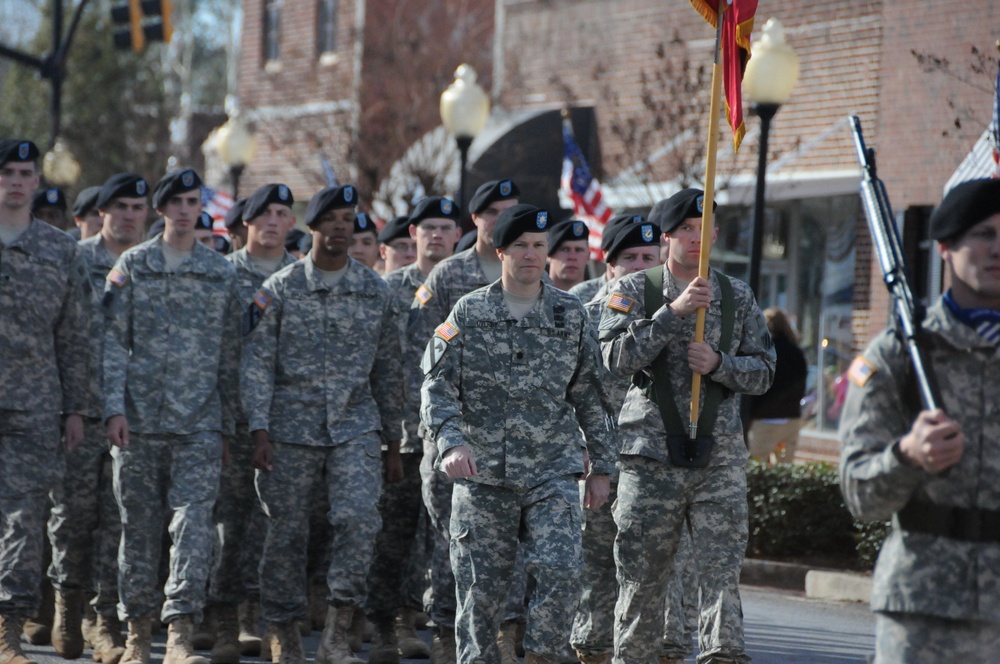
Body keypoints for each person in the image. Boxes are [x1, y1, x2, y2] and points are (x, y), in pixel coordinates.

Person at [421, 203, 614, 664]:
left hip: (553, 471)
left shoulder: (571, 314)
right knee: (481, 592)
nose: (532, 254)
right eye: (522, 246)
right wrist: (451, 442)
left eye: (539, 246)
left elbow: (591, 394)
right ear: (501, 250)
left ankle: (543, 656)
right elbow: (436, 383)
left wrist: (603, 468)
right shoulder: (469, 311)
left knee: (562, 570)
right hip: (484, 474)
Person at [599, 188, 775, 664]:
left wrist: (720, 363)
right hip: (650, 457)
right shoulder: (634, 290)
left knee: (720, 574)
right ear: (666, 236)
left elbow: (763, 372)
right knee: (642, 575)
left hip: (718, 457)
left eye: (705, 229)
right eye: (686, 230)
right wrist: (671, 315)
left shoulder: (737, 295)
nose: (698, 239)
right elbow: (613, 358)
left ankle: (722, 656)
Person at [839, 178, 1000, 663]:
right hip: (922, 608)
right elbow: (859, 493)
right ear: (946, 247)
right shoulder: (897, 355)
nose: (999, 248)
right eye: (985, 234)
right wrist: (907, 456)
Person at [241, 184, 403, 664]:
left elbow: (389, 371)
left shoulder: (374, 290)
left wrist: (393, 444)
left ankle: (336, 632)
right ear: (312, 227)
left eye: (348, 220)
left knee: (358, 520)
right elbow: (256, 365)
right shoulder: (279, 290)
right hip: (289, 431)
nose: (340, 227)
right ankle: (285, 633)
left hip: (355, 428)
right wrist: (259, 430)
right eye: (331, 219)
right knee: (285, 532)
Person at [102, 168, 241, 664]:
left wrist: (225, 428)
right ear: (160, 210)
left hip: (199, 423)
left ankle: (180, 632)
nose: (185, 210)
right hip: (139, 423)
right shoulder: (132, 266)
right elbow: (114, 344)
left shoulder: (221, 272)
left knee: (193, 524)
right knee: (138, 528)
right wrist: (113, 410)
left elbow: (229, 356)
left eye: (192, 201)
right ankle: (138, 634)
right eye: (176, 202)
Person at [407, 179, 520, 664]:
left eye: (510, 211)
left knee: (506, 540)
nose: (501, 219)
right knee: (449, 538)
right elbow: (422, 353)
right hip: (453, 432)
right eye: (492, 211)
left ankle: (501, 632)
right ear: (474, 220)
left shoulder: (525, 276)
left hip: (511, 435)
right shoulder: (448, 277)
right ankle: (444, 631)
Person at [47, 173, 150, 663]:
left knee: (119, 521)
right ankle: (66, 605)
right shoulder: (74, 260)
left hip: (132, 414)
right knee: (72, 516)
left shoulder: (148, 267)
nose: (130, 215)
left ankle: (102, 619)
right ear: (101, 212)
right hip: (77, 410)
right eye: (121, 207)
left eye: (138, 207)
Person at [201, 183, 299, 664]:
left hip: (287, 421)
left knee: (272, 524)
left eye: (283, 213)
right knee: (228, 521)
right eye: (265, 214)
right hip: (231, 417)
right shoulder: (223, 274)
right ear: (245, 223)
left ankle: (257, 618)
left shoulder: (299, 276)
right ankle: (222, 619)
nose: (274, 222)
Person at [0, 138, 89, 664]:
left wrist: (76, 407)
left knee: (21, 520)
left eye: (24, 173)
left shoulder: (61, 251)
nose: (15, 180)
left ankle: (7, 629)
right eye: (7, 171)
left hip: (34, 405)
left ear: (37, 182)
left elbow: (76, 336)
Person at [366, 197, 462, 664]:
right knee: (394, 536)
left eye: (447, 227)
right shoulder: (390, 289)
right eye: (429, 228)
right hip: (403, 433)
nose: (438, 236)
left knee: (441, 536)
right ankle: (389, 623)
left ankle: (432, 618)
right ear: (413, 235)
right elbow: (386, 364)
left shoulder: (471, 283)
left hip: (452, 435)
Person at [573, 218, 659, 664]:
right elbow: (568, 395)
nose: (639, 267)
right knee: (595, 568)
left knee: (645, 571)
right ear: (609, 267)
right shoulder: (582, 316)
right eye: (630, 259)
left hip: (652, 464)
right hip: (599, 461)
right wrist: (586, 457)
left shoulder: (675, 318)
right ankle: (591, 652)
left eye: (648, 258)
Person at [746, 307, 808, 464]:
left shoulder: (765, 351)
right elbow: (801, 384)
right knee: (784, 472)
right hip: (791, 419)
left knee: (757, 468)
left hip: (765, 419)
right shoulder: (796, 351)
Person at [570, 214, 647, 305]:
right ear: (606, 253)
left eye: (647, 257)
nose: (638, 264)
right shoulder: (580, 294)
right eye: (629, 256)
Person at [546, 219, 590, 291]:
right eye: (565, 249)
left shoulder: (602, 298)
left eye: (579, 250)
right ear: (548, 255)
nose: (572, 257)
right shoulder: (531, 297)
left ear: (588, 256)